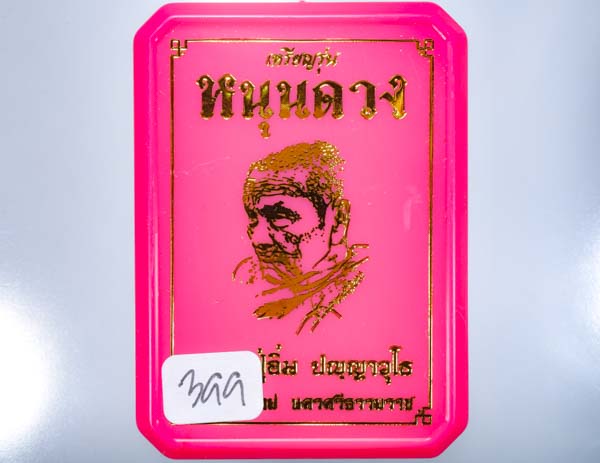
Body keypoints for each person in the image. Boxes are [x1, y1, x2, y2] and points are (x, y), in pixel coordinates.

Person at [233, 141, 368, 334]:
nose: (259, 240)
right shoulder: (243, 279)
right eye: (253, 220)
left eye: (280, 218)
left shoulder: (366, 302)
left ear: (338, 220)